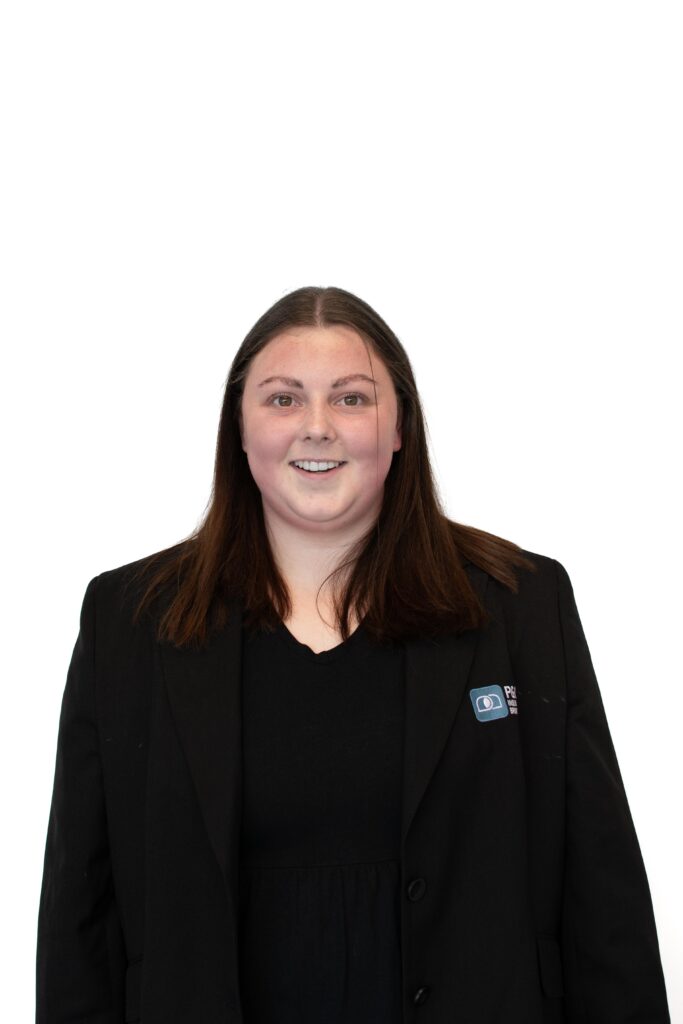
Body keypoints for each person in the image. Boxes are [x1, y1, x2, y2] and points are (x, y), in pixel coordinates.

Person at [36, 285, 671, 1023]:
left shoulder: (520, 603)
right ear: (238, 427)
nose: (316, 427)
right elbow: (80, 914)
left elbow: (603, 892)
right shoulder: (129, 618)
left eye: (351, 399)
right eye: (283, 399)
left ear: (399, 426)